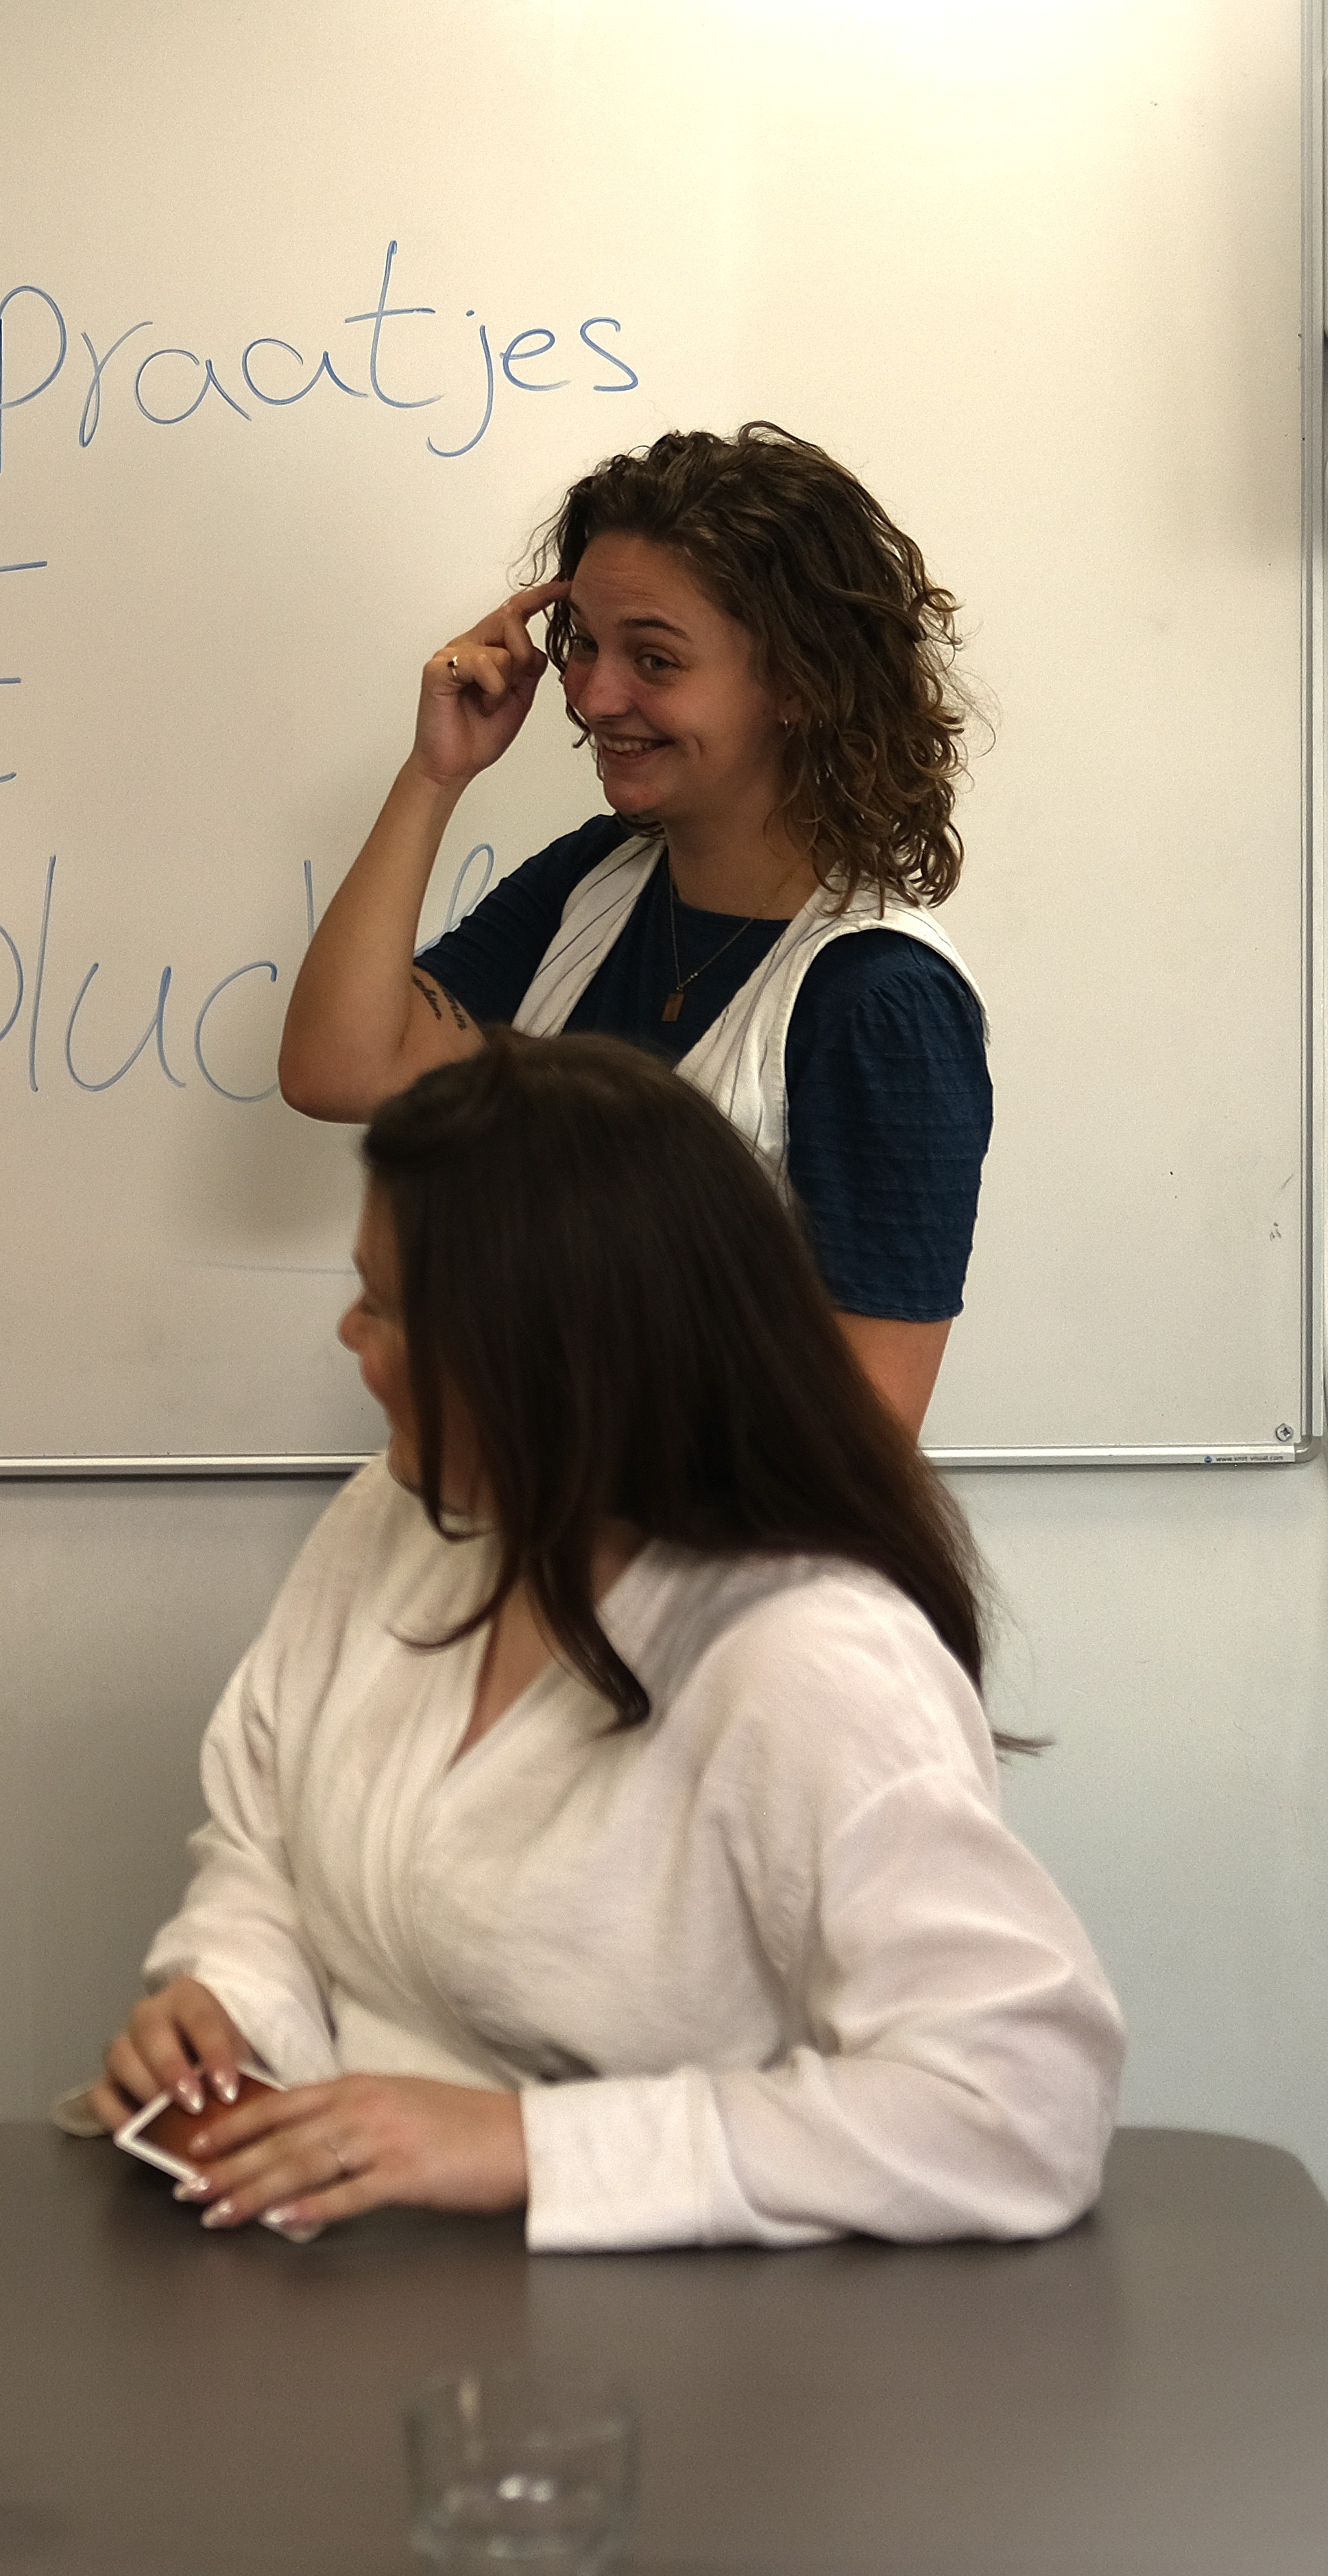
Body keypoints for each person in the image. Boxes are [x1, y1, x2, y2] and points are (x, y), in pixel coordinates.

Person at [64, 1033, 1119, 2251]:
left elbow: (1021, 2103)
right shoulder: (390, 1520)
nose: (349, 1334)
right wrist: (227, 2003)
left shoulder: (811, 1663)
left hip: (676, 2328)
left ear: (547, 1362)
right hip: (365, 2275)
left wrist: (526, 2146)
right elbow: (269, 1849)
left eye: (387, 1307)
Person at [274, 424, 987, 1430]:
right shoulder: (593, 879)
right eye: (584, 645)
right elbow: (335, 1071)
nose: (594, 695)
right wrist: (435, 774)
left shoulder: (880, 1002)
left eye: (653, 658)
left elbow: (865, 1431)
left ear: (797, 682)